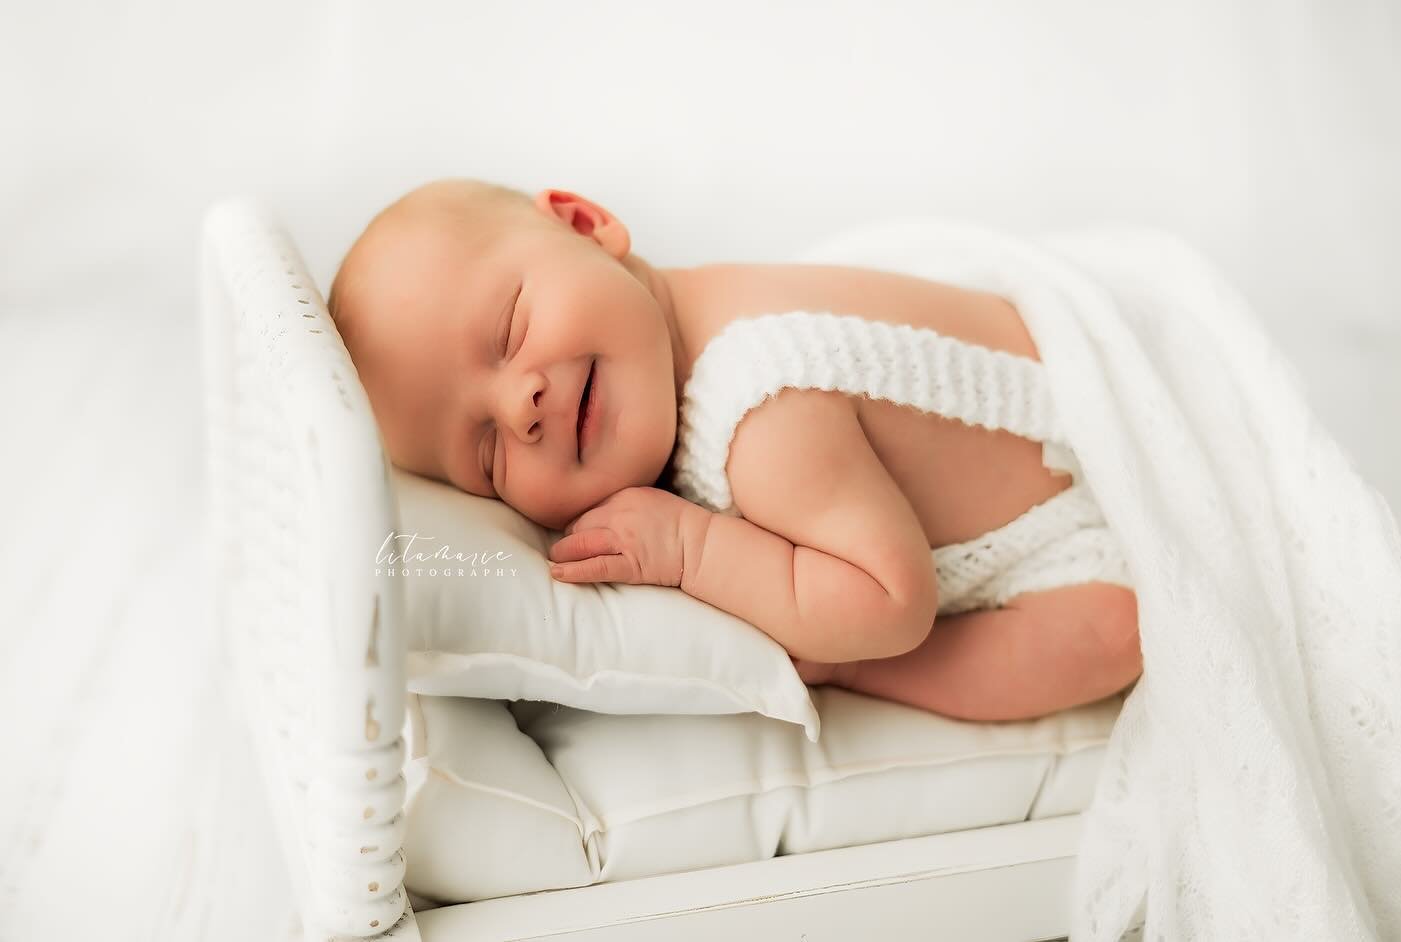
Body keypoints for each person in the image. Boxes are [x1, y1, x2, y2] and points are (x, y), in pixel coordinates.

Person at [328, 178, 1142, 723]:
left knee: (1115, 630)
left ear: (585, 224)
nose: (521, 407)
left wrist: (695, 550)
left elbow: (892, 602)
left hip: (1082, 490)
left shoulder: (757, 410)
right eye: (486, 454)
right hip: (1041, 366)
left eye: (508, 332)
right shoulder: (695, 301)